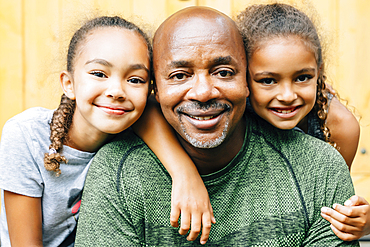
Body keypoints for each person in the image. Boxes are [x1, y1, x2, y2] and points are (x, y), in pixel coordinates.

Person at [75, 6, 359, 246]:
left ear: (246, 81)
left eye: (223, 72)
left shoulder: (318, 166)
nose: (202, 92)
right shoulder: (116, 174)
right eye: (179, 75)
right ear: (155, 90)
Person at [0, 16, 213, 246]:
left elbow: (149, 110)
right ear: (68, 83)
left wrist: (186, 175)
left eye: (134, 79)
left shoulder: (135, 129)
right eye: (99, 74)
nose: (117, 91)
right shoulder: (26, 135)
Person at [235, 3, 369, 241]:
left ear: (319, 72)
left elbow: (326, 206)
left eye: (302, 77)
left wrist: (360, 221)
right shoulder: (233, 112)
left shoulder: (339, 126)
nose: (287, 95)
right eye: (268, 80)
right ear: (244, 76)